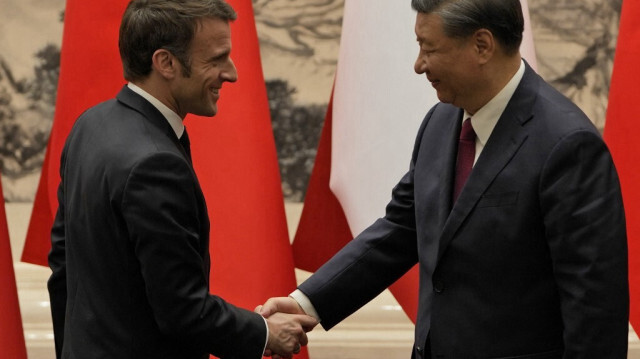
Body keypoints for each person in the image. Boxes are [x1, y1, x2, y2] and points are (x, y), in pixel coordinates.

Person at [258, 0, 629, 358]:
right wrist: (305, 303)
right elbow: (401, 230)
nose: (418, 65)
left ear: (481, 45)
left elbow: (595, 313)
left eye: (428, 48)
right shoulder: (440, 122)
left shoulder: (567, 146)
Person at [47, 1, 316, 358]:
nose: (232, 73)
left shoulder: (89, 126)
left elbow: (62, 271)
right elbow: (182, 311)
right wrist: (265, 332)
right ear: (166, 63)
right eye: (217, 59)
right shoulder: (155, 164)